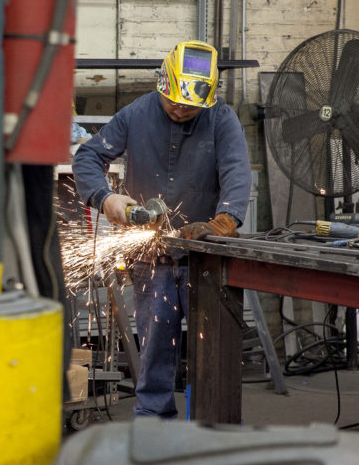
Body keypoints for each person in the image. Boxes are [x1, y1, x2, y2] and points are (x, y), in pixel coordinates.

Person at [71, 40, 252, 418]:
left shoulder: (221, 118)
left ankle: (210, 425)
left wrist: (225, 221)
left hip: (205, 257)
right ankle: (153, 422)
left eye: (190, 106)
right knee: (155, 346)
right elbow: (88, 155)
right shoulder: (138, 113)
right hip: (151, 257)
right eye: (174, 102)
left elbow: (236, 172)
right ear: (162, 83)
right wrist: (105, 199)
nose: (181, 108)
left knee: (211, 350)